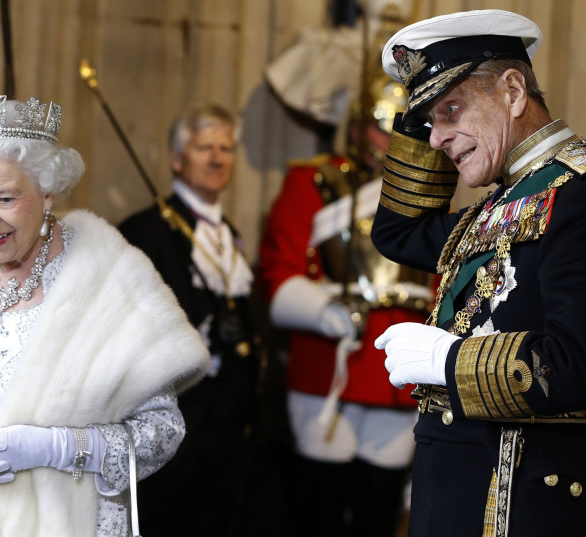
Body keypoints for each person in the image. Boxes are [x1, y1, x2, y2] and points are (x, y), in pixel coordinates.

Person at [0, 93, 209, 536]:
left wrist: (59, 447)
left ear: (46, 194)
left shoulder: (107, 279)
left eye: (5, 199)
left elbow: (162, 431)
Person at [372, 9, 586, 537]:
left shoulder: (577, 193)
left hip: (522, 510)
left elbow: (576, 364)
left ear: (514, 91)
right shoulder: (500, 204)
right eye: (429, 123)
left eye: (452, 109)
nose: (438, 139)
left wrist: (451, 361)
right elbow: (396, 233)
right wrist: (416, 116)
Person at [258, 64, 431, 537]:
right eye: (380, 128)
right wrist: (322, 311)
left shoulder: (428, 192)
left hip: (396, 381)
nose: (390, 142)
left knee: (380, 515)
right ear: (357, 128)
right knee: (318, 513)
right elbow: (279, 274)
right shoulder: (311, 183)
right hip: (327, 371)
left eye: (403, 129)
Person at [119, 103, 260, 537]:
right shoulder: (146, 232)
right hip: (177, 424)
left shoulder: (229, 235)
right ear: (177, 159)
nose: (217, 158)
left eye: (225, 148)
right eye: (204, 148)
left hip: (228, 428)